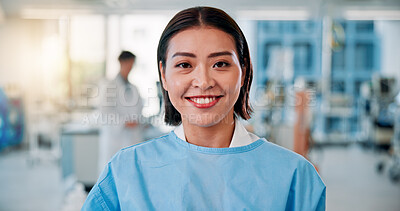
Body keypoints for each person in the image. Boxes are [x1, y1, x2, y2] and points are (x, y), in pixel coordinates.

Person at [83, 7, 325, 210]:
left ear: (244, 71)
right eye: (184, 64)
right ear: (163, 76)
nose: (204, 81)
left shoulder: (295, 176)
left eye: (220, 63)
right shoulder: (126, 170)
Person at [97, 51, 143, 174]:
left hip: (131, 137)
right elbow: (105, 111)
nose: (131, 67)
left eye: (132, 64)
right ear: (122, 63)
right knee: (113, 174)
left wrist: (139, 120)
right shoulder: (110, 86)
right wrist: (124, 122)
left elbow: (139, 109)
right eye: (129, 64)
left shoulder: (134, 88)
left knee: (130, 173)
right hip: (115, 137)